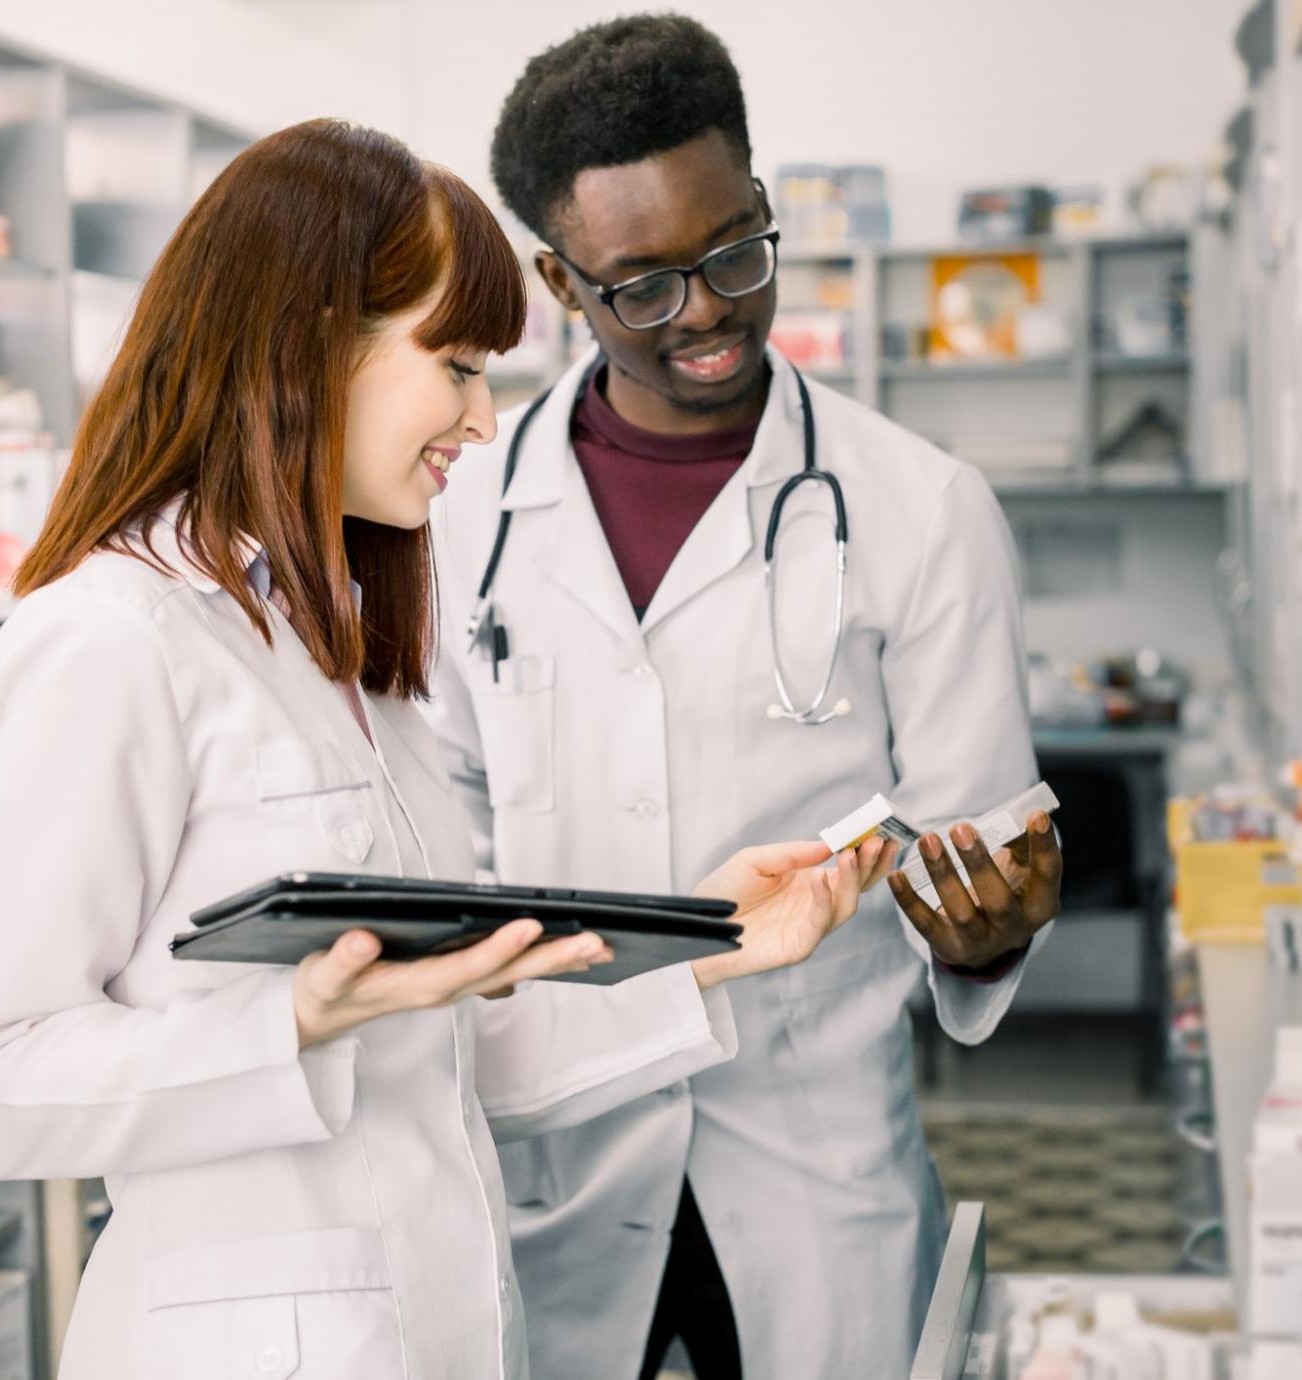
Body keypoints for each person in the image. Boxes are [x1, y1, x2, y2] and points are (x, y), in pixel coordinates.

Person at [0, 119, 892, 1380]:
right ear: (311, 346)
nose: (484, 421)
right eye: (457, 366)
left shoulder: (327, 649)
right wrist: (293, 1023)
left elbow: (441, 1046)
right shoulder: (109, 642)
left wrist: (709, 946)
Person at [426, 16, 1066, 1380]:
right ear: (558, 280)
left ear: (765, 207)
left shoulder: (923, 510)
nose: (707, 310)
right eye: (642, 286)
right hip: (556, 1164)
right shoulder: (461, 517)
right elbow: (442, 856)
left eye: (733, 253)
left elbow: (978, 859)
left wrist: (986, 934)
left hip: (813, 1171)